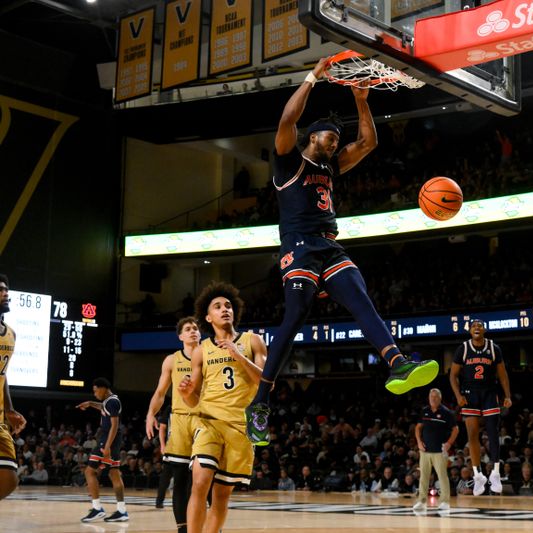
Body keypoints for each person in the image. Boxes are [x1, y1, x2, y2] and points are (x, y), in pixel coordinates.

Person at [245, 56, 439, 445]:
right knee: (296, 315)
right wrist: (312, 77)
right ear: (312, 137)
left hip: (329, 247)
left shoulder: (332, 167)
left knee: (360, 296)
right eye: (328, 137)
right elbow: (286, 120)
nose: (335, 142)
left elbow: (368, 143)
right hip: (298, 248)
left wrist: (362, 99)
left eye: (337, 139)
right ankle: (261, 401)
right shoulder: (288, 161)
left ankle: (397, 363)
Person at [178, 282, 267, 533]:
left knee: (221, 496)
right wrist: (186, 394)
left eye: (228, 305)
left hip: (240, 426)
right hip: (208, 422)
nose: (224, 309)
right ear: (208, 317)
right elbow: (194, 400)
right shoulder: (201, 350)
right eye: (217, 307)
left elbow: (266, 381)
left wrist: (238, 355)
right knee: (200, 481)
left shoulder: (253, 341)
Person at [145, 317, 201, 533]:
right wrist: (151, 413)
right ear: (180, 336)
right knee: (180, 482)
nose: (193, 331)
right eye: (188, 329)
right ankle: (183, 529)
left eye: (196, 328)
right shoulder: (171, 360)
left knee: (204, 481)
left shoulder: (209, 355)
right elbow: (160, 392)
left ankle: (209, 526)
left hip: (204, 420)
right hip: (179, 422)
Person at [449, 319, 512, 496]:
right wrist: (458, 396)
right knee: (472, 434)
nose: (477, 327)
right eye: (474, 326)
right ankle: (478, 476)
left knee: (493, 431)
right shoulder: (463, 348)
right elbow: (453, 376)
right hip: (470, 393)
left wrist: (507, 395)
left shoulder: (493, 348)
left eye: (480, 326)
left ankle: (495, 473)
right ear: (470, 331)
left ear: (484, 330)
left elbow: (503, 374)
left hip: (490, 392)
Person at [77, 377, 127, 522]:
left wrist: (106, 447)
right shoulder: (110, 401)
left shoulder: (112, 401)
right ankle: (122, 510)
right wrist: (91, 404)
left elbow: (114, 425)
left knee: (89, 471)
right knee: (114, 474)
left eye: (95, 391)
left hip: (107, 441)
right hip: (112, 441)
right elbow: (104, 407)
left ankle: (97, 508)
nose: (95, 394)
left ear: (103, 388)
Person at [0, 274, 27, 500]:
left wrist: (9, 408)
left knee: (9, 478)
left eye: (6, 289)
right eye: (0, 290)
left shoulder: (11, 333)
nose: (5, 293)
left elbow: (3, 373)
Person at [413, 388, 458, 513]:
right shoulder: (424, 411)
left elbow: (456, 430)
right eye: (431, 396)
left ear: (440, 398)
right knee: (424, 477)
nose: (433, 399)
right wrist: (418, 441)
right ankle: (421, 502)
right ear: (429, 398)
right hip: (425, 451)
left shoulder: (447, 413)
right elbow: (418, 428)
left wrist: (449, 443)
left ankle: (445, 502)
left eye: (435, 397)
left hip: (440, 450)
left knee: (442, 476)